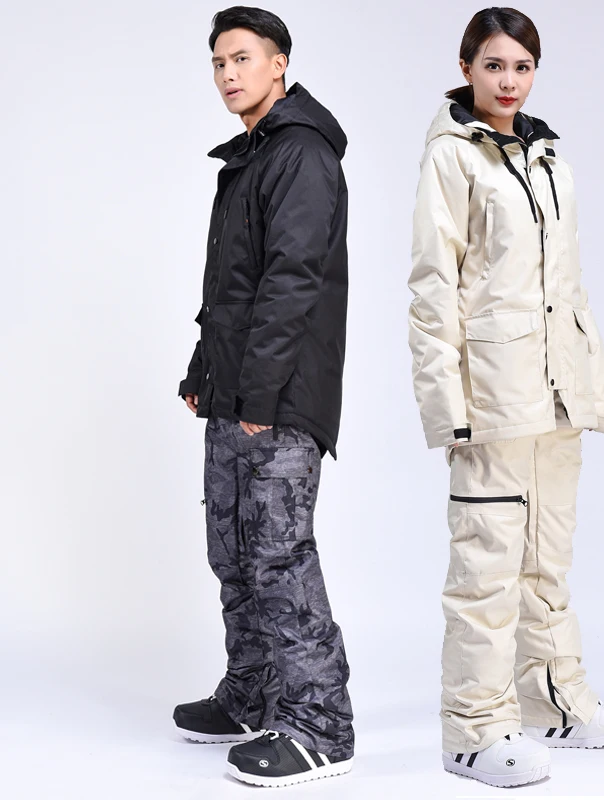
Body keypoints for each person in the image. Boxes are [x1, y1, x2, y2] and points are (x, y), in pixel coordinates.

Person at [408, 7, 604, 789]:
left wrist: (588, 384)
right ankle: (472, 732)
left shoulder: (548, 157)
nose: (509, 81)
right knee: (486, 570)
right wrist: (446, 407)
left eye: (522, 67)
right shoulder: (452, 158)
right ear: (466, 68)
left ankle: (551, 701)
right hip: (492, 401)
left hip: (556, 397)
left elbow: (566, 286)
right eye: (495, 65)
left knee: (547, 562)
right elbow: (432, 289)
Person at [173, 6, 354, 789]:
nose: (228, 74)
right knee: (233, 550)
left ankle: (320, 726)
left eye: (242, 58)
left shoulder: (301, 154)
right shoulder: (252, 157)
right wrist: (204, 374)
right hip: (237, 391)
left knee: (279, 555)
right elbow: (231, 287)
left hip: (277, 398)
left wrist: (258, 394)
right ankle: (252, 695)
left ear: (279, 64)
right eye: (219, 62)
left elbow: (292, 282)